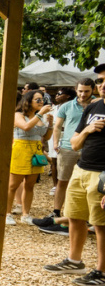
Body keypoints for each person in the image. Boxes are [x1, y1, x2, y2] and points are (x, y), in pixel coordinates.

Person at [43, 64, 105, 286]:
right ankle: (74, 261)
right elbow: (76, 141)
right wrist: (88, 130)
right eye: (99, 80)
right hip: (82, 167)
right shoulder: (93, 108)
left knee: (100, 224)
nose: (102, 85)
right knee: (76, 216)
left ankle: (101, 271)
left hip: (102, 174)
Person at [6, 89, 52, 225]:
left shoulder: (40, 117)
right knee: (13, 185)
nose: (41, 102)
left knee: (30, 185)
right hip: (21, 149)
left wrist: (50, 124)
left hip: (36, 150)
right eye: (37, 99)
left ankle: (26, 214)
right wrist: (41, 115)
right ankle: (7, 213)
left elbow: (46, 136)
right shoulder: (18, 115)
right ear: (28, 101)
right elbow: (26, 127)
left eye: (42, 99)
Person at [52, 80, 95, 220]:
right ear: (76, 90)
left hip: (91, 148)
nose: (83, 94)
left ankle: (87, 216)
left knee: (90, 183)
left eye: (86, 91)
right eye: (80, 91)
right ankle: (56, 211)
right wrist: (55, 143)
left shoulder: (98, 104)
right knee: (62, 180)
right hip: (68, 147)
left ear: (93, 90)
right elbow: (57, 126)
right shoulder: (66, 106)